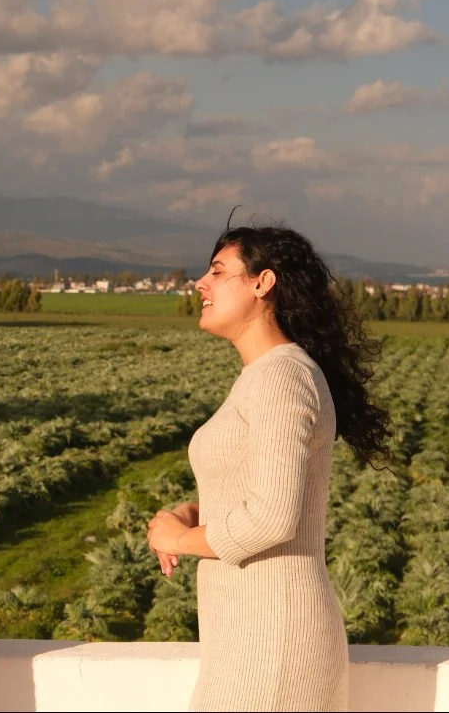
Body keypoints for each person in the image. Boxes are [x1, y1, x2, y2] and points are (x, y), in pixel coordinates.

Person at [146, 221, 391, 711]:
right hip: (250, 637)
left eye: (218, 271)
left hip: (272, 643)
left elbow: (272, 517)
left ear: (263, 282)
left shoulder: (283, 377)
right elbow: (252, 491)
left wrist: (176, 541)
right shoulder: (269, 375)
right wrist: (190, 513)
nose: (201, 283)